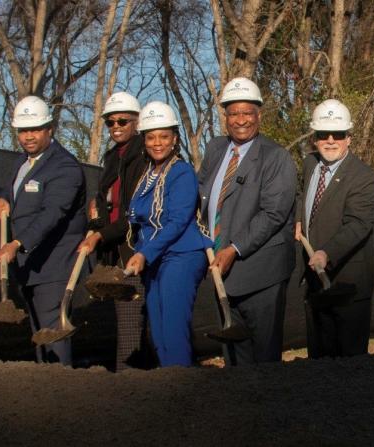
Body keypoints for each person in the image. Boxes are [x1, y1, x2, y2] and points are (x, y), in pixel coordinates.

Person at [198, 77, 297, 365]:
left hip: (260, 273)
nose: (241, 120)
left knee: (263, 357)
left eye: (247, 113)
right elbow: (203, 196)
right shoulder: (216, 150)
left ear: (259, 116)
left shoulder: (276, 157)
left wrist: (233, 249)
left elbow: (273, 213)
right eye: (234, 113)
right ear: (225, 117)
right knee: (233, 355)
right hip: (223, 274)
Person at [0, 96, 87, 366]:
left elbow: (52, 214)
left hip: (54, 267)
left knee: (52, 335)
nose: (28, 137)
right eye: (23, 131)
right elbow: (16, 191)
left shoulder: (65, 167)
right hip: (30, 267)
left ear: (50, 129)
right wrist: (2, 198)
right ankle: (46, 392)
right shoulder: (24, 162)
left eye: (35, 129)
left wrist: (17, 243)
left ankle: (60, 393)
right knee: (39, 335)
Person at [122, 102, 211, 367]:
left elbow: (177, 220)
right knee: (158, 332)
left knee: (173, 328)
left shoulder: (181, 172)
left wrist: (143, 253)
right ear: (144, 140)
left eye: (164, 136)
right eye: (151, 137)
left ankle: (182, 388)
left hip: (181, 256)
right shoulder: (147, 175)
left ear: (175, 139)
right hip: (156, 259)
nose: (157, 143)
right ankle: (169, 385)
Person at [295, 99, 374, 358]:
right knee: (319, 362)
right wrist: (299, 219)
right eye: (323, 135)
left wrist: (326, 253)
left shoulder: (364, 176)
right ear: (314, 138)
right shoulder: (310, 165)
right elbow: (302, 197)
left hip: (347, 286)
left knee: (349, 367)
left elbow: (358, 224)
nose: (330, 140)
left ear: (349, 138)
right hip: (315, 283)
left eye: (338, 134)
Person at [77, 92, 152, 371]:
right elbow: (102, 200)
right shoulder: (112, 158)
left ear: (136, 122)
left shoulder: (143, 155)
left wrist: (102, 235)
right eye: (110, 122)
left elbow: (135, 211)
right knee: (126, 319)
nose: (116, 126)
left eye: (123, 120)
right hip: (114, 249)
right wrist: (95, 224)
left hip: (135, 248)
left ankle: (129, 380)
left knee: (132, 319)